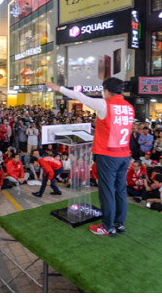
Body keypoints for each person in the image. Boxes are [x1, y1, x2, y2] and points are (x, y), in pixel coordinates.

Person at [46, 78, 134, 236]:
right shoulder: (129, 107)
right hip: (124, 155)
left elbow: (80, 97)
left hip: (108, 155)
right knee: (120, 190)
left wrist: (58, 88)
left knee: (107, 191)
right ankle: (119, 223)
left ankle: (107, 226)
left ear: (106, 91)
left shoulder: (105, 104)